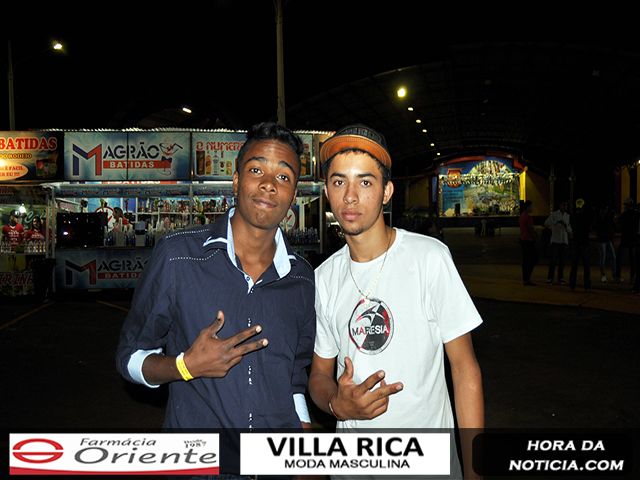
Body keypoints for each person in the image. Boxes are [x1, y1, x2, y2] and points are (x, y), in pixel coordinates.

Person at [116, 122, 316, 477]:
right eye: (256, 170)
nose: (269, 184)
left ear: (293, 194)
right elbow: (129, 358)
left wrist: (304, 451)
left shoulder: (301, 277)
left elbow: (294, 378)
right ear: (236, 181)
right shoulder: (178, 257)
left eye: (284, 177)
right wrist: (184, 366)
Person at [309, 124, 484, 479]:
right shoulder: (324, 278)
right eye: (339, 182)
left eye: (365, 182)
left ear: (387, 192)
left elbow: (465, 369)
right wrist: (335, 403)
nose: (350, 197)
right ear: (327, 191)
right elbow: (319, 375)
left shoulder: (429, 258)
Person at [544, 200, 572, 284]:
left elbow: (570, 230)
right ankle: (550, 278)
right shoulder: (554, 214)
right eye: (563, 205)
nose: (565, 207)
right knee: (553, 260)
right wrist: (555, 223)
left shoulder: (567, 216)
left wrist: (566, 226)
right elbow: (546, 223)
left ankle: (560, 278)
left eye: (566, 205)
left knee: (562, 261)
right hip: (555, 240)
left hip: (564, 241)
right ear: (560, 205)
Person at [569, 198, 593, 291]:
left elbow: (572, 227)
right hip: (584, 242)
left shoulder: (573, 217)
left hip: (576, 241)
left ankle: (572, 284)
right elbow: (589, 227)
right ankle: (587, 285)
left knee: (574, 265)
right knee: (586, 265)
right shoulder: (586, 217)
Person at [616, 197, 639, 285]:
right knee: (633, 260)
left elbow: (618, 225)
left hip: (626, 238)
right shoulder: (636, 214)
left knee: (619, 258)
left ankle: (618, 276)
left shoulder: (624, 214)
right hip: (633, 238)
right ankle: (632, 277)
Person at [593, 204, 618, 282]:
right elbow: (595, 227)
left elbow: (613, 226)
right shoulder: (599, 217)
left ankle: (613, 275)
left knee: (612, 257)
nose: (606, 210)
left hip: (607, 239)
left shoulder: (607, 216)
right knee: (603, 258)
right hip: (602, 239)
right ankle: (603, 275)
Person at [519, 200, 537, 285]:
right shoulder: (527, 217)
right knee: (531, 260)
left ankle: (526, 278)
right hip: (528, 240)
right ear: (527, 207)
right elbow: (530, 229)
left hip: (524, 239)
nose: (532, 208)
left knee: (526, 260)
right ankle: (527, 278)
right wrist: (535, 237)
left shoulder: (522, 216)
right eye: (531, 206)